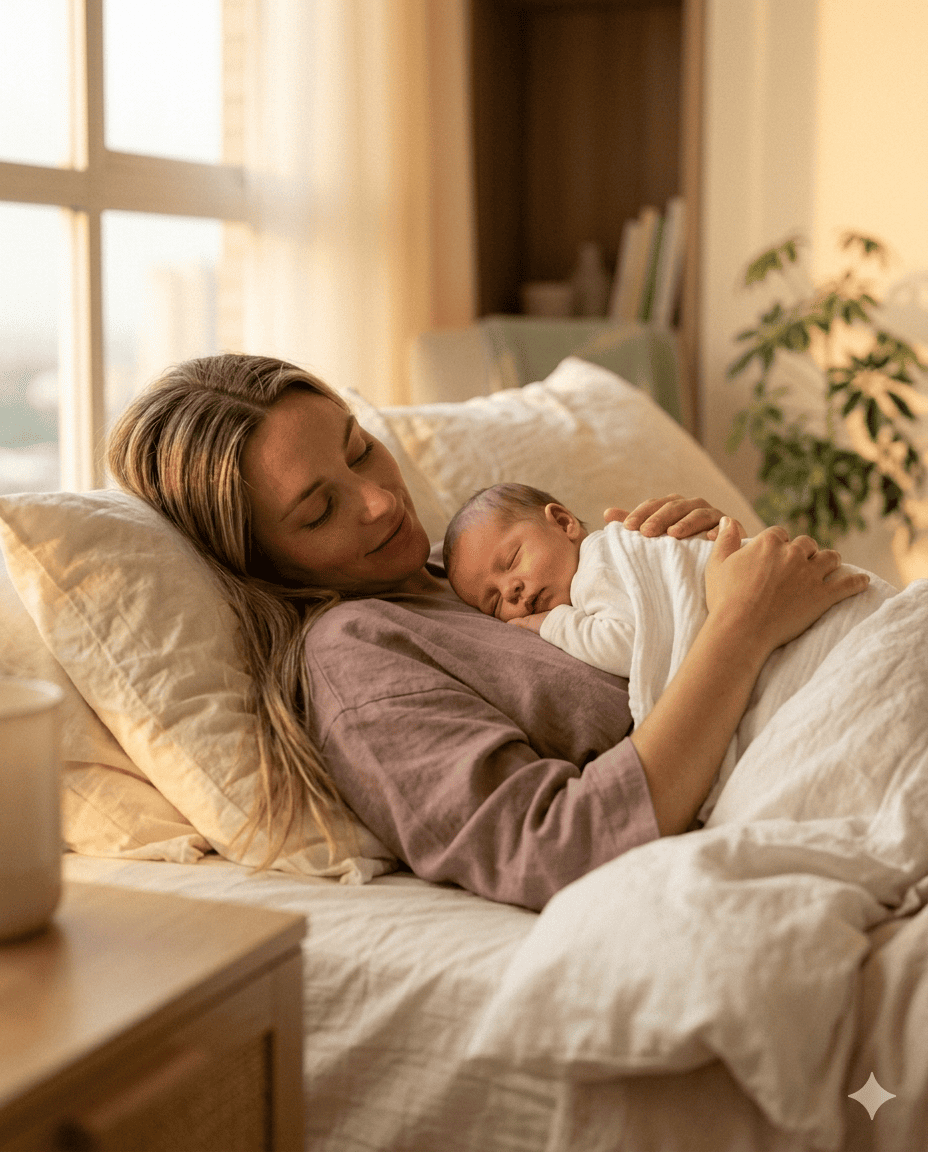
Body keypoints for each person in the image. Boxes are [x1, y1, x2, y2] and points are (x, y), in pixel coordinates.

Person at [107, 353, 869, 910]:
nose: (376, 500)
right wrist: (736, 630)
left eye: (359, 449)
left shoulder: (468, 568)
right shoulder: (357, 659)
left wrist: (694, 564)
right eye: (318, 510)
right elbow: (560, 843)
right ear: (259, 561)